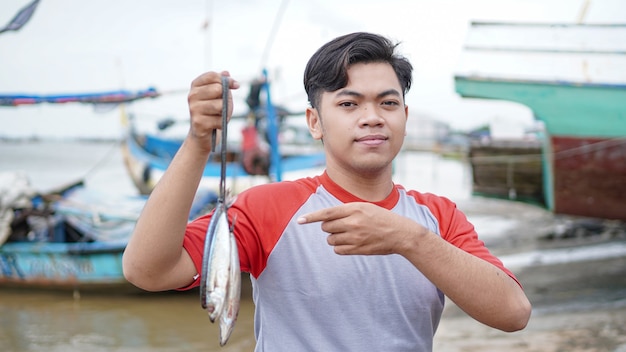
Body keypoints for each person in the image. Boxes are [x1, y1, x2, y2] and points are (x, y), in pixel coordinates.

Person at [122, 32, 531, 351]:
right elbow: (148, 270)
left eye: (388, 104)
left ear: (404, 116)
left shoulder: (437, 216)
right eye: (349, 104)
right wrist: (197, 141)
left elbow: (513, 313)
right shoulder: (267, 207)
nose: (372, 118)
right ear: (315, 122)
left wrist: (408, 239)